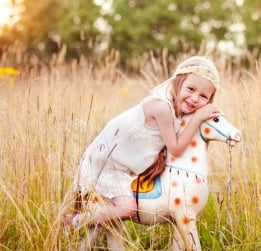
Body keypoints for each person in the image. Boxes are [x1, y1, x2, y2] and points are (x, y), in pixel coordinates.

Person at [62, 56, 221, 230]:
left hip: (123, 166)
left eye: (204, 96)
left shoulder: (177, 113)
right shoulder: (162, 108)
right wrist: (197, 118)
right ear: (177, 83)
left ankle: (90, 220)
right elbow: (175, 149)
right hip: (106, 164)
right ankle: (73, 222)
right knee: (128, 207)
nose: (195, 98)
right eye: (190, 89)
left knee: (132, 203)